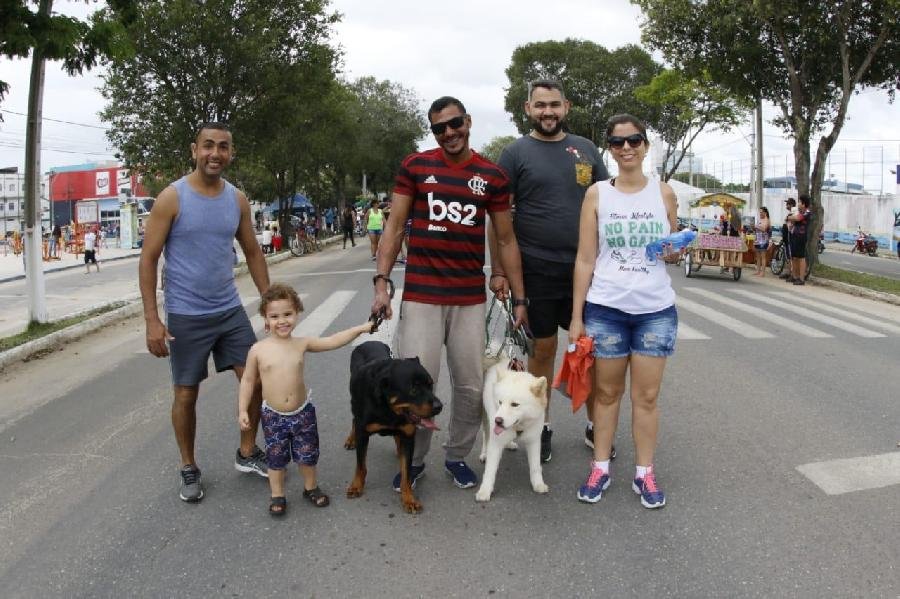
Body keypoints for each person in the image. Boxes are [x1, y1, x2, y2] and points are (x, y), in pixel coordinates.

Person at [372, 96, 527, 492]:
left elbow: (506, 239)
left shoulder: (491, 176)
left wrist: (519, 297)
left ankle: (456, 455)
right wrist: (382, 282)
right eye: (439, 128)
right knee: (416, 386)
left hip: (468, 298)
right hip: (422, 295)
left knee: (471, 386)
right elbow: (394, 226)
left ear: (468, 121)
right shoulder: (416, 166)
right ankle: (415, 459)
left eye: (455, 123)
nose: (449, 133)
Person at [139, 122, 271, 503]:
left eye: (223, 147)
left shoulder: (237, 200)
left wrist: (269, 300)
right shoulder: (171, 198)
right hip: (186, 314)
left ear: (231, 153)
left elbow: (253, 251)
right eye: (208, 146)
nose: (216, 153)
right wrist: (152, 319)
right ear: (194, 149)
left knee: (256, 379)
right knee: (186, 394)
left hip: (229, 309)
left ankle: (247, 452)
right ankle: (188, 466)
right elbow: (148, 260)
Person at [490, 79, 610, 463]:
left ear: (566, 107)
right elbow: (498, 219)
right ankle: (542, 429)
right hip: (536, 271)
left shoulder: (587, 150)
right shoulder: (514, 153)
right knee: (543, 351)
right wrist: (500, 272)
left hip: (586, 272)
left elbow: (609, 203)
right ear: (528, 108)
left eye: (554, 105)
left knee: (587, 353)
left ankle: (596, 428)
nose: (548, 112)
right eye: (540, 105)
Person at [569, 114, 679, 509]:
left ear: (646, 146)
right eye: (618, 143)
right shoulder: (597, 194)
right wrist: (577, 316)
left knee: (646, 397)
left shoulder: (663, 194)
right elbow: (585, 258)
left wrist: (676, 249)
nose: (627, 148)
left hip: (655, 310)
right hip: (607, 309)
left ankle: (644, 474)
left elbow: (672, 247)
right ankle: (600, 466)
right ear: (610, 150)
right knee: (606, 393)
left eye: (634, 140)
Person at [238, 283, 373, 516]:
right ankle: (277, 495)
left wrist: (361, 328)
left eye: (288, 314)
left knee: (307, 454)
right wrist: (242, 410)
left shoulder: (302, 344)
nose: (282, 321)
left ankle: (310, 488)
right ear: (265, 319)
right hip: (273, 416)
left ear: (297, 314)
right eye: (274, 316)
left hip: (302, 413)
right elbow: (248, 381)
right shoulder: (258, 350)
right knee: (275, 458)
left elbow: (333, 341)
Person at [787, 194, 812, 285]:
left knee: (801, 257)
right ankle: (795, 276)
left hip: (801, 237)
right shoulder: (799, 212)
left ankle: (801, 278)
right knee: (794, 257)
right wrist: (791, 218)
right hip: (794, 235)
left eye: (800, 202)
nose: (798, 204)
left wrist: (790, 217)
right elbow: (792, 220)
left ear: (804, 204)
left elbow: (796, 218)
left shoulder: (807, 213)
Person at [780, 198, 796, 280]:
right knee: (787, 255)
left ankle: (791, 272)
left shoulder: (793, 214)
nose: (787, 206)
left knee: (790, 255)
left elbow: (790, 225)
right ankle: (788, 271)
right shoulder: (790, 213)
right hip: (786, 236)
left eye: (788, 204)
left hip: (789, 236)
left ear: (792, 205)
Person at [753, 207, 771, 276]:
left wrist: (756, 227)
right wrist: (754, 227)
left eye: (761, 212)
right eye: (759, 212)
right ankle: (758, 271)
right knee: (758, 257)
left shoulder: (767, 220)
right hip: (758, 239)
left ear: (765, 213)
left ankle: (763, 272)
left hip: (764, 240)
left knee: (763, 256)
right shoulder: (759, 220)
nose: (760, 213)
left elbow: (764, 229)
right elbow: (757, 229)